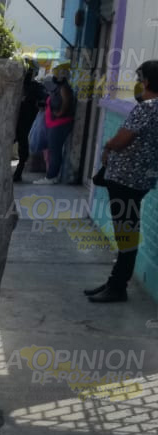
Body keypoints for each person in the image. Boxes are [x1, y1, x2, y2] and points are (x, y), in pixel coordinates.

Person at [84, 60, 158, 303]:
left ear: (147, 81)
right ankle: (115, 282)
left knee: (126, 233)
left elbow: (122, 140)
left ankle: (117, 287)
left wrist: (107, 145)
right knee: (127, 231)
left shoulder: (148, 108)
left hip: (126, 180)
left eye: (139, 79)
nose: (137, 84)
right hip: (139, 179)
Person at [34, 63, 75, 185]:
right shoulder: (58, 87)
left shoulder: (64, 88)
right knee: (53, 150)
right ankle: (52, 175)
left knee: (54, 150)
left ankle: (51, 177)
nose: (54, 76)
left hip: (59, 123)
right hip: (53, 123)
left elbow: (66, 101)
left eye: (57, 74)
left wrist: (60, 113)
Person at [14, 58, 47, 182]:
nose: (28, 73)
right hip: (15, 120)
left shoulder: (36, 87)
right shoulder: (16, 85)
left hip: (25, 121)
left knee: (23, 147)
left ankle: (19, 171)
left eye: (30, 71)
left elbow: (44, 99)